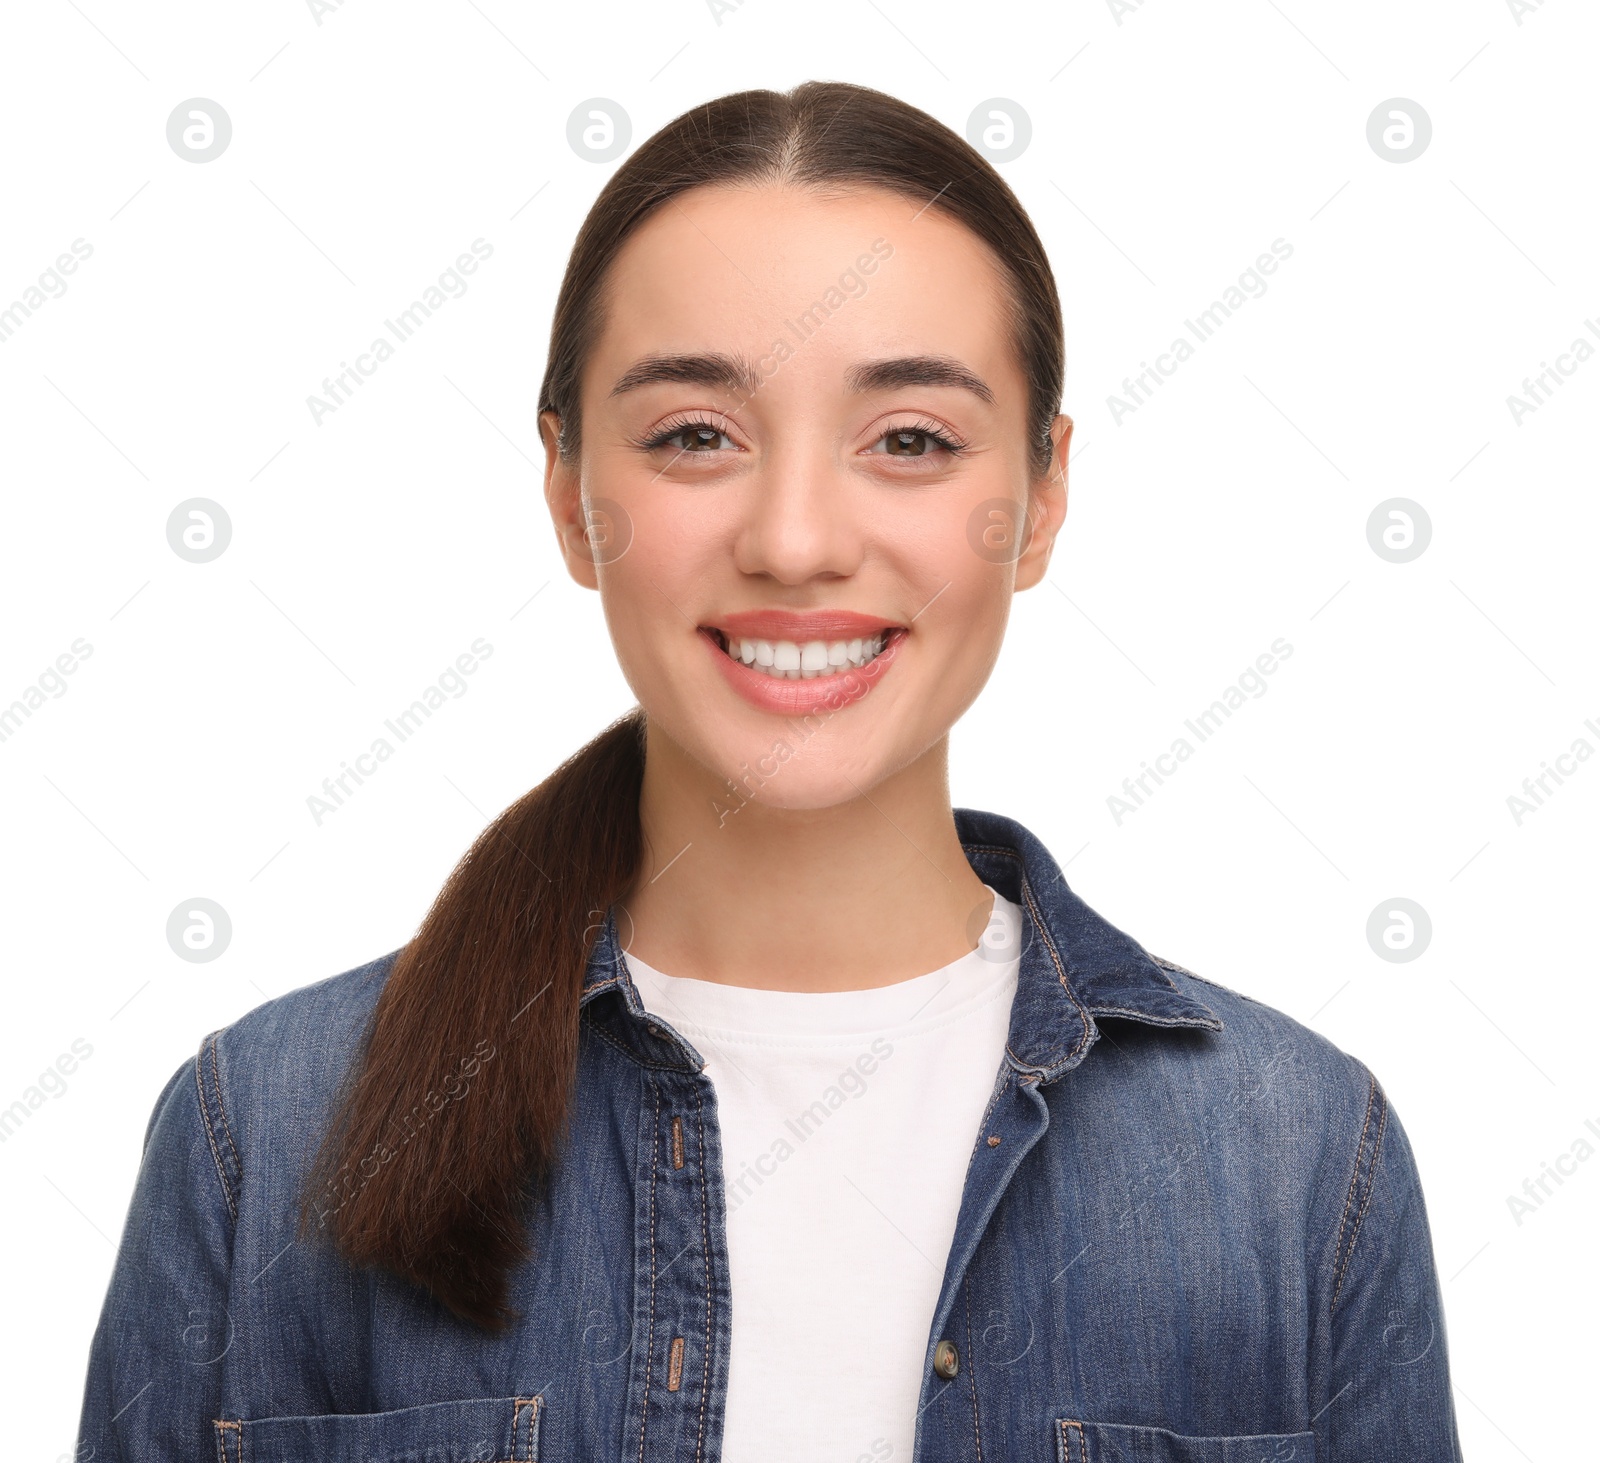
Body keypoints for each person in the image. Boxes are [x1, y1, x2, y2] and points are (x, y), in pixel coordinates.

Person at [75, 80, 1463, 1463]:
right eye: (696, 435)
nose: (796, 540)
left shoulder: (1294, 1164)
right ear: (569, 494)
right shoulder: (266, 1138)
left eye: (909, 440)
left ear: (1042, 497)